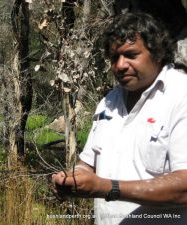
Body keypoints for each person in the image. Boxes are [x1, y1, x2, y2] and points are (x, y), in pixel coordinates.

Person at [52, 12, 187, 225]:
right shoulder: (109, 101)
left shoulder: (181, 96)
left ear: (158, 53)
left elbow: (184, 187)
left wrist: (107, 187)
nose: (120, 65)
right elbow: (88, 164)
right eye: (114, 57)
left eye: (131, 55)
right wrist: (74, 178)